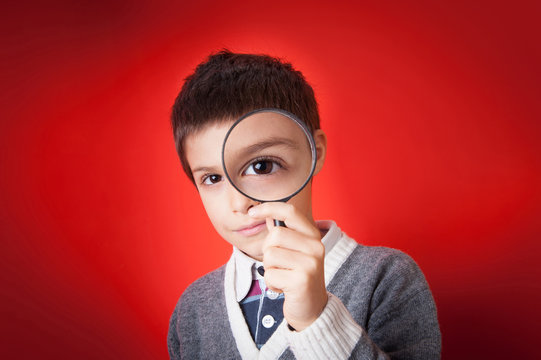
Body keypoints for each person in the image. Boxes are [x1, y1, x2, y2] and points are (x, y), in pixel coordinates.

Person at [167, 50, 441, 359]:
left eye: (261, 167)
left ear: (315, 152)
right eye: (213, 178)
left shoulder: (386, 278)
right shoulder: (191, 310)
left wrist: (316, 320)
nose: (239, 202)